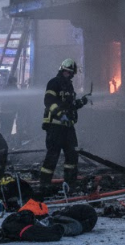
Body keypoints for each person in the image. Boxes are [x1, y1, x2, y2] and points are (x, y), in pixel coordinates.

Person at [39, 58, 88, 197]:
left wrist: (82, 102)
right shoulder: (53, 83)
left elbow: (70, 106)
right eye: (66, 72)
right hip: (55, 127)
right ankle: (44, 184)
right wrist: (61, 115)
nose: (68, 74)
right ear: (61, 70)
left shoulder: (69, 86)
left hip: (68, 128)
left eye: (70, 73)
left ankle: (70, 184)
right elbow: (48, 101)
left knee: (72, 155)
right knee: (52, 156)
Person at [0, 77, 19, 144]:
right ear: (13, 82)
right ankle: (6, 143)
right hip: (10, 113)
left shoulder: (3, 88)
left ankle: (1, 143)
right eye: (15, 82)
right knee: (8, 129)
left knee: (3, 129)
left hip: (2, 112)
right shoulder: (15, 89)